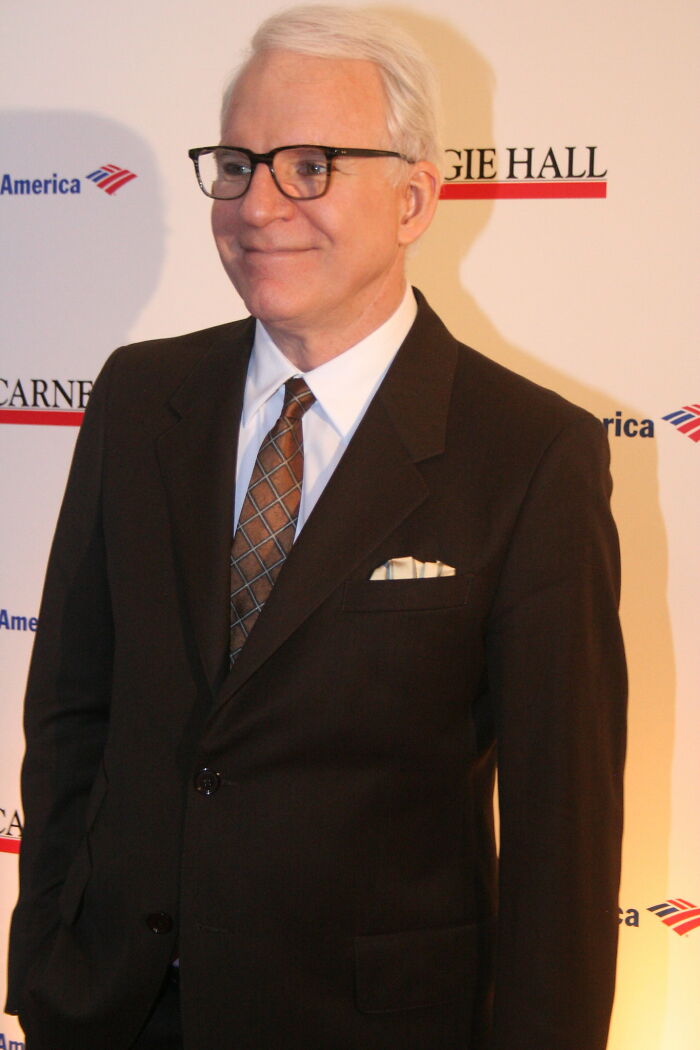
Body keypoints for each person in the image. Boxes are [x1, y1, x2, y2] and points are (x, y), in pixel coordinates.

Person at [6, 6, 626, 1049]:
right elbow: (73, 708)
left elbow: (561, 834)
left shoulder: (529, 453)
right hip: (109, 1009)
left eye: (310, 165)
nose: (258, 205)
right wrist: (45, 958)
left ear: (416, 196)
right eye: (238, 163)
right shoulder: (139, 397)